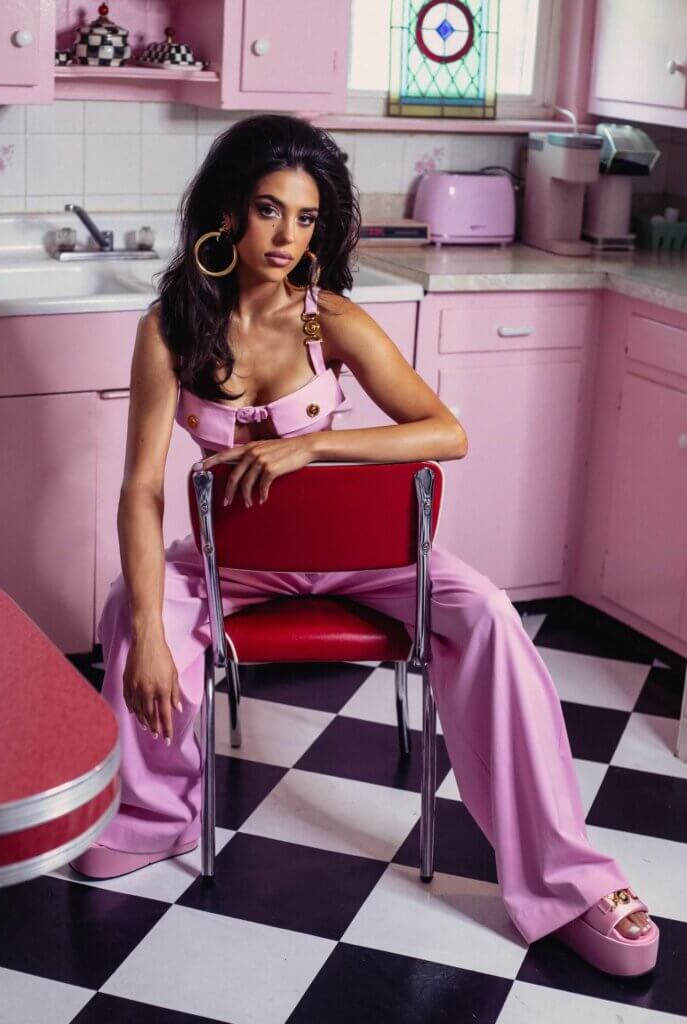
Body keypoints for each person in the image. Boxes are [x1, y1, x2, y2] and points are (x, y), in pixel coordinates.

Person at [69, 114, 658, 978]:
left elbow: (445, 432)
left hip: (367, 562)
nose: (285, 236)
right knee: (132, 609)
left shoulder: (330, 322)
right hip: (234, 565)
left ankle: (567, 880)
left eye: (304, 218)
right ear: (229, 211)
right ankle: (151, 816)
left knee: (490, 616)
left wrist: (311, 445)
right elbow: (142, 490)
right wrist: (153, 634)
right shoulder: (171, 328)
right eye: (268, 210)